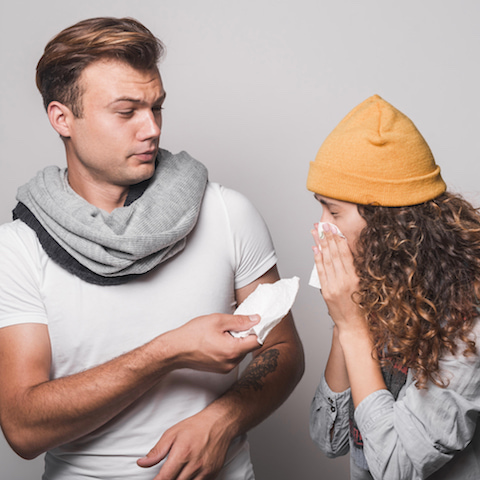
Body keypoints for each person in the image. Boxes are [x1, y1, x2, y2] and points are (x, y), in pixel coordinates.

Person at [0, 17, 304, 480]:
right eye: (126, 112)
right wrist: (168, 351)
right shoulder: (17, 250)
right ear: (62, 118)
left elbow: (283, 349)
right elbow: (22, 428)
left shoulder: (226, 213)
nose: (151, 129)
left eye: (156, 107)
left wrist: (225, 419)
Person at [307, 95, 480, 479]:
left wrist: (353, 328)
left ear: (388, 224)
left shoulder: (465, 318)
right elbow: (329, 438)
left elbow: (396, 467)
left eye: (333, 212)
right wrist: (344, 319)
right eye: (320, 207)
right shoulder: (382, 287)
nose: (321, 228)